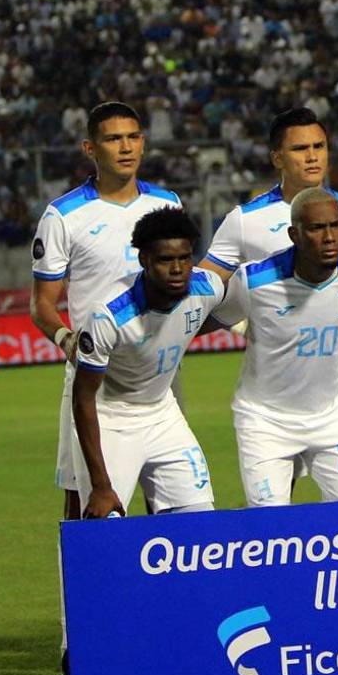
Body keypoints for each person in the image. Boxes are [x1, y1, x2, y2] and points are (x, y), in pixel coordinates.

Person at [200, 107, 338, 463]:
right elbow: (203, 285)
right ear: (277, 158)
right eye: (300, 148)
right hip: (279, 372)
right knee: (279, 471)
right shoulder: (245, 221)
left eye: (319, 145)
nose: (313, 155)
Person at [30, 101, 183, 520]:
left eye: (133, 137)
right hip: (95, 377)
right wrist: (65, 339)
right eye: (113, 139)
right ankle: (81, 584)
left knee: (170, 503)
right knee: (85, 500)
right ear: (90, 148)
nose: (126, 147)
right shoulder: (64, 216)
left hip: (158, 374)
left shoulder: (167, 205)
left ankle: (160, 585)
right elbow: (42, 303)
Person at [208, 189, 338, 504]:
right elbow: (212, 321)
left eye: (336, 226)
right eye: (316, 228)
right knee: (272, 527)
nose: (330, 237)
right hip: (265, 421)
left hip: (333, 418)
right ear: (294, 235)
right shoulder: (254, 281)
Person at [71, 208, 225, 519]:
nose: (179, 268)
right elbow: (83, 396)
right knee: (106, 527)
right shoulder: (109, 316)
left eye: (185, 258)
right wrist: (101, 484)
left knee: (199, 520)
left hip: (163, 414)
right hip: (111, 419)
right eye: (166, 260)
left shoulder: (207, 287)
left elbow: (226, 315)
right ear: (144, 260)